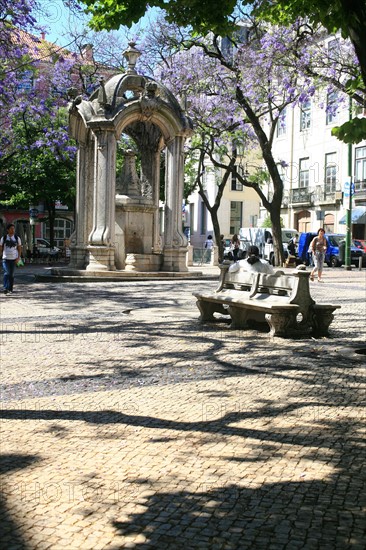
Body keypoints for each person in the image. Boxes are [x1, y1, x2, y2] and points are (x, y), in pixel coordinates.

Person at [0, 223, 22, 294]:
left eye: (13, 228)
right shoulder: (3, 238)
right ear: (8, 230)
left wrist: (18, 258)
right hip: (5, 259)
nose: (13, 230)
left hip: (13, 259)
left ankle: (10, 289)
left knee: (11, 275)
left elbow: (19, 248)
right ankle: (5, 288)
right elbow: (0, 248)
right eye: (11, 228)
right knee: (7, 273)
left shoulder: (17, 238)